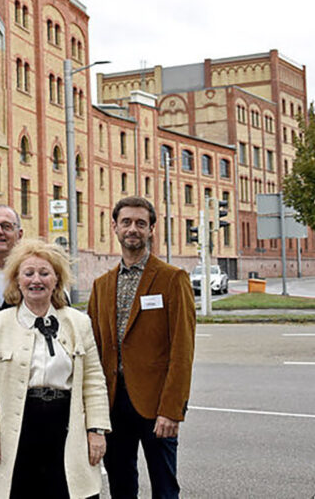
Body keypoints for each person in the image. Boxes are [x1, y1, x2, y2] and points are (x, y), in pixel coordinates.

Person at [0, 239, 110, 499]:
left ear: (56, 280)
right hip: (17, 429)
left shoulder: (79, 323)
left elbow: (93, 381)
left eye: (44, 273)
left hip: (66, 429)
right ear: (17, 279)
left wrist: (96, 431)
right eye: (29, 273)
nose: (37, 280)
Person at [87, 196, 195, 499]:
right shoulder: (102, 285)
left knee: (164, 488)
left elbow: (182, 351)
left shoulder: (172, 279)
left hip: (156, 406)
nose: (132, 229)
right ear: (115, 227)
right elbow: (94, 352)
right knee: (121, 485)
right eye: (126, 222)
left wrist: (171, 410)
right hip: (113, 404)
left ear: (151, 230)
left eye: (140, 223)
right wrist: (94, 413)